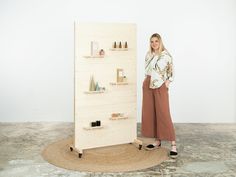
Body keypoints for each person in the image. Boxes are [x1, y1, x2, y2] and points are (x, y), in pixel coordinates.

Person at [141, 33, 178, 158]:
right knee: (151, 113)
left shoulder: (166, 55)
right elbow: (147, 70)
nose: (154, 44)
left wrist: (167, 83)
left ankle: (173, 144)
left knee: (164, 113)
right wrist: (145, 80)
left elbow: (171, 71)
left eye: (156, 41)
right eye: (152, 41)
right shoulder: (148, 54)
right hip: (148, 84)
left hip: (160, 85)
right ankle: (157, 141)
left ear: (160, 42)